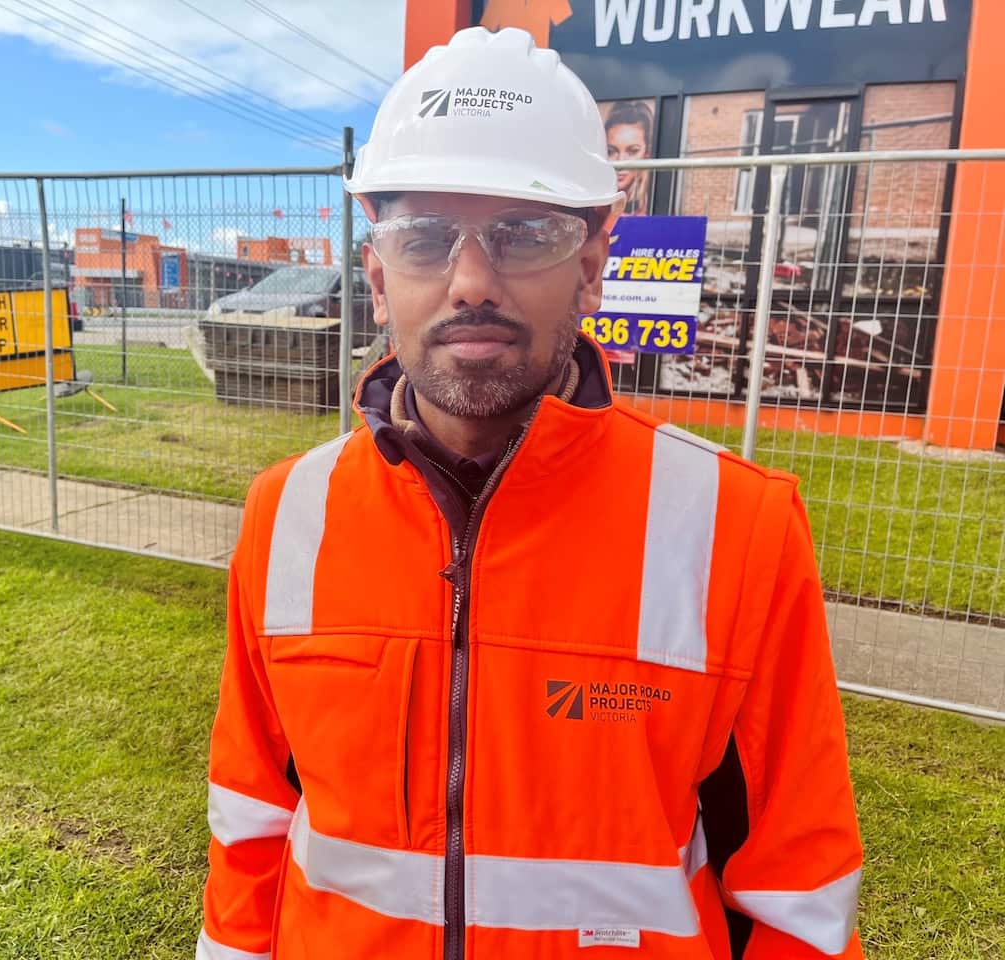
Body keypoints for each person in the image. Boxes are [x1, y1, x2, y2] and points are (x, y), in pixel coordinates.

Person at [196, 26, 864, 960]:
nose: (472, 280)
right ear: (379, 275)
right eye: (426, 237)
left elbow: (799, 898)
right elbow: (251, 823)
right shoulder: (287, 516)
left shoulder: (736, 531)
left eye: (525, 233)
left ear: (593, 263)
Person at [605, 99, 654, 216]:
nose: (621, 161)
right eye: (611, 151)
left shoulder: (652, 210)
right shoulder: (591, 206)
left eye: (633, 151)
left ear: (647, 154)